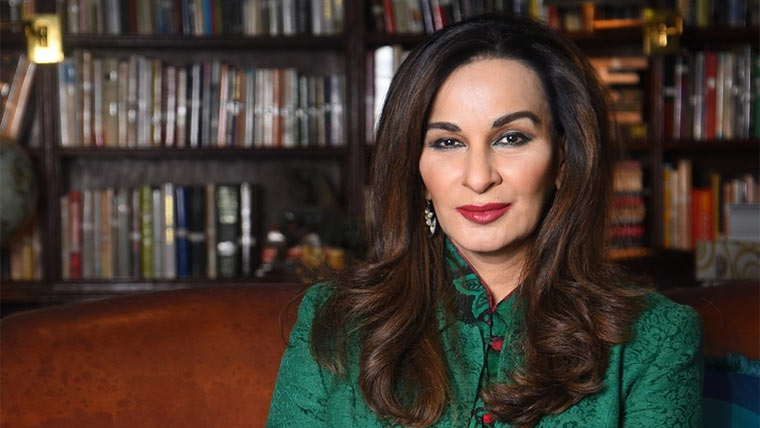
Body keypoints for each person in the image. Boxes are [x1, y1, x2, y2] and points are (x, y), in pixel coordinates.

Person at [266, 13, 702, 428]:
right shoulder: (333, 319)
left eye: (511, 138)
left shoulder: (656, 337)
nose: (478, 178)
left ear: (563, 158)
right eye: (447, 142)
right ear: (416, 169)